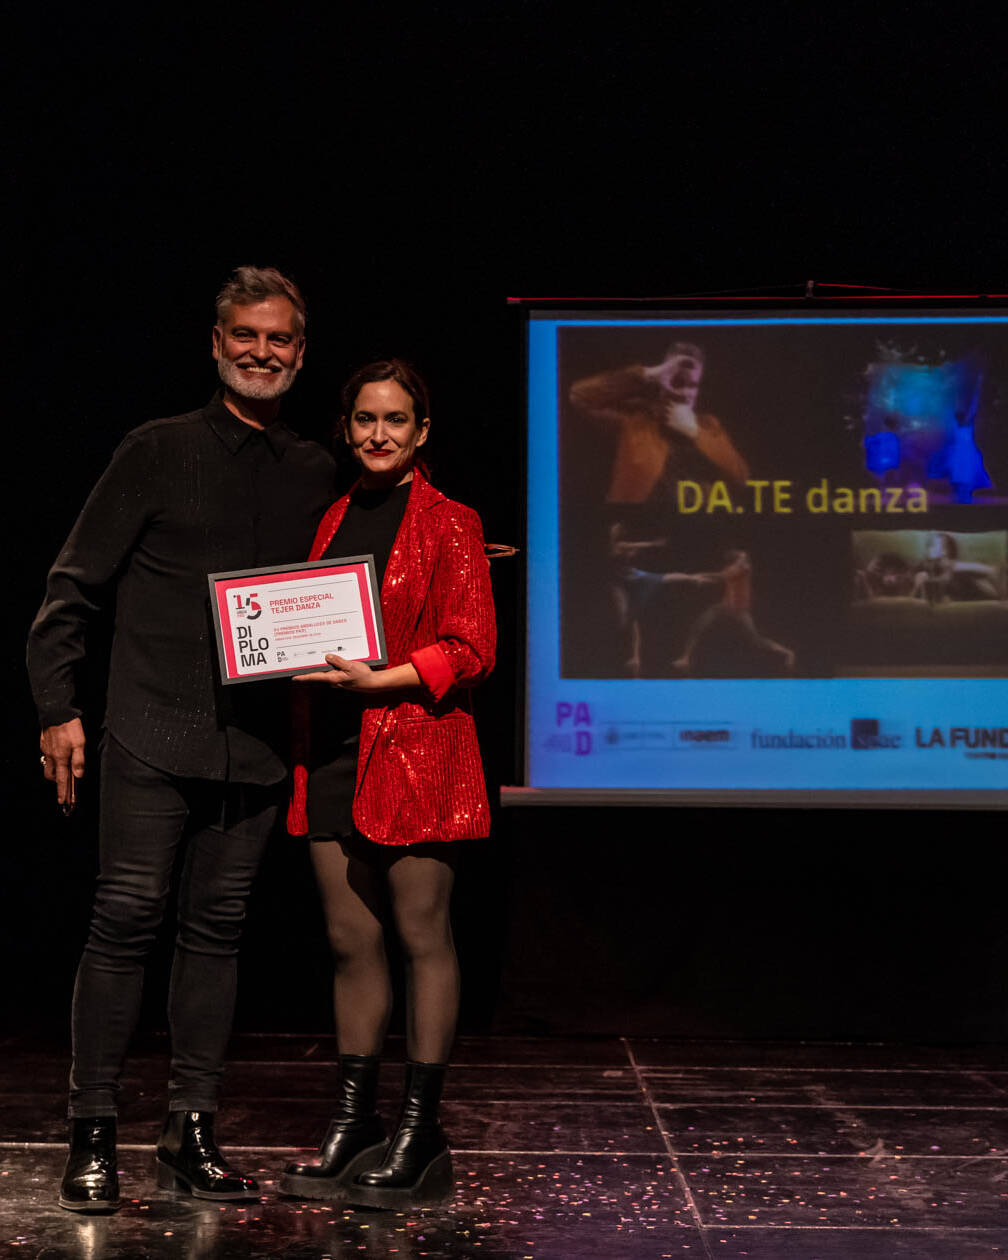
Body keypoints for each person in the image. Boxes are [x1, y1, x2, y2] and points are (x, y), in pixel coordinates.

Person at [26, 266, 336, 1212]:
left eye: (279, 339)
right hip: (154, 730)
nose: (261, 352)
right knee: (124, 920)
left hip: (255, 748)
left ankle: (189, 1132)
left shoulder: (314, 468)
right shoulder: (156, 449)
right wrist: (55, 706)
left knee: (218, 933)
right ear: (215, 342)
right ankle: (92, 1132)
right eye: (246, 334)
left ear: (300, 352)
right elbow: (72, 586)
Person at [278, 359, 496, 1209]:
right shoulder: (332, 516)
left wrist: (384, 679)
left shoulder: (451, 522)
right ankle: (354, 1123)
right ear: (347, 427)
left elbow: (473, 647)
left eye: (396, 419)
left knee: (420, 934)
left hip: (417, 745)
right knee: (348, 942)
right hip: (333, 749)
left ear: (422, 431)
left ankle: (420, 1131)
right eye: (365, 419)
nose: (379, 434)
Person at [569, 342, 749, 503]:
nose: (685, 393)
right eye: (678, 382)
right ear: (663, 381)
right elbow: (579, 396)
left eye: (693, 385)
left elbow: (741, 477)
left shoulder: (708, 425)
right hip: (643, 522)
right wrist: (649, 373)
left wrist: (694, 432)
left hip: (697, 524)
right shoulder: (635, 419)